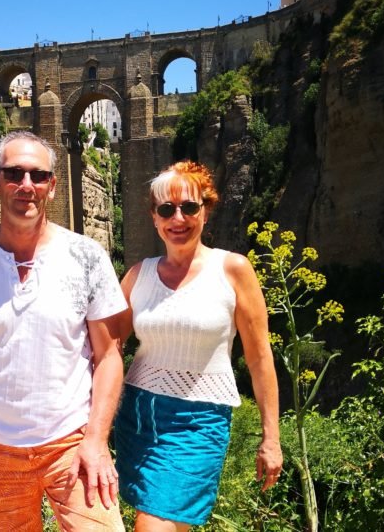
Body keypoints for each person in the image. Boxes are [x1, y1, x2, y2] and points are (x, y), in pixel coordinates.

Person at [0, 130, 127, 531]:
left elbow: (109, 356)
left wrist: (96, 440)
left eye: (38, 176)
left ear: (52, 186)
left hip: (72, 444)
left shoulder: (87, 257)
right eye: (14, 173)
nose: (26, 185)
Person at [114, 161, 283, 531]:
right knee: (159, 520)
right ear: (154, 217)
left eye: (189, 207)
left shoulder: (233, 270)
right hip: (137, 416)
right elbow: (108, 348)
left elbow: (259, 358)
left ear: (206, 210)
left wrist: (271, 437)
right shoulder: (138, 275)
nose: (178, 218)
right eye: (166, 209)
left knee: (153, 525)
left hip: (198, 421)